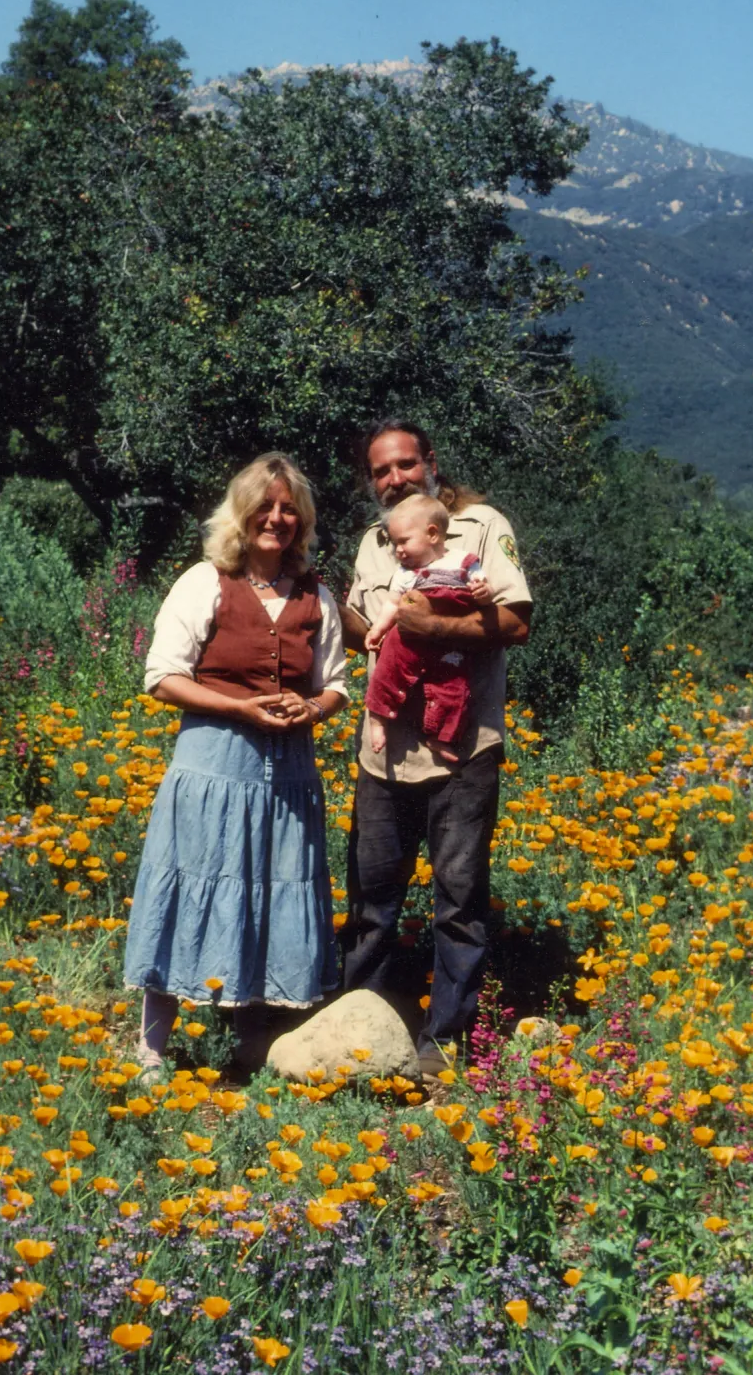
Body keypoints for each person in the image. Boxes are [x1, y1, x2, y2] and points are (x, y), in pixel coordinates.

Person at [124, 452, 348, 1073]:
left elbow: (337, 683)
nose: (276, 518)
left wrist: (315, 709)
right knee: (192, 879)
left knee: (271, 889)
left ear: (301, 522)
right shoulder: (204, 582)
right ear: (240, 514)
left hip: (289, 771)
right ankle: (152, 1046)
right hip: (213, 765)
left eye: (289, 509)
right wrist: (243, 708)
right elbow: (162, 678)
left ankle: (253, 1042)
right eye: (264, 506)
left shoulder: (316, 595)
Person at [340, 420, 531, 1079]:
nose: (394, 478)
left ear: (430, 462)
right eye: (381, 470)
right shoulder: (373, 543)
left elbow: (515, 621)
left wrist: (429, 622)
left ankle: (443, 1042)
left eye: (404, 464)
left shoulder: (478, 527)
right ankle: (354, 1026)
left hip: (463, 749)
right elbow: (359, 619)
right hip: (384, 753)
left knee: (457, 897)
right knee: (371, 896)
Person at [364, 493, 493, 762]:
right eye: (394, 543)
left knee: (454, 687)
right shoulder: (405, 573)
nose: (397, 550)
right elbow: (391, 603)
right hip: (408, 639)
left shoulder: (463, 562)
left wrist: (483, 592)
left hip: (448, 640)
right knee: (387, 670)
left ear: (433, 534)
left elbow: (484, 589)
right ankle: (378, 718)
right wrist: (377, 630)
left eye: (403, 541)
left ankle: (441, 737)